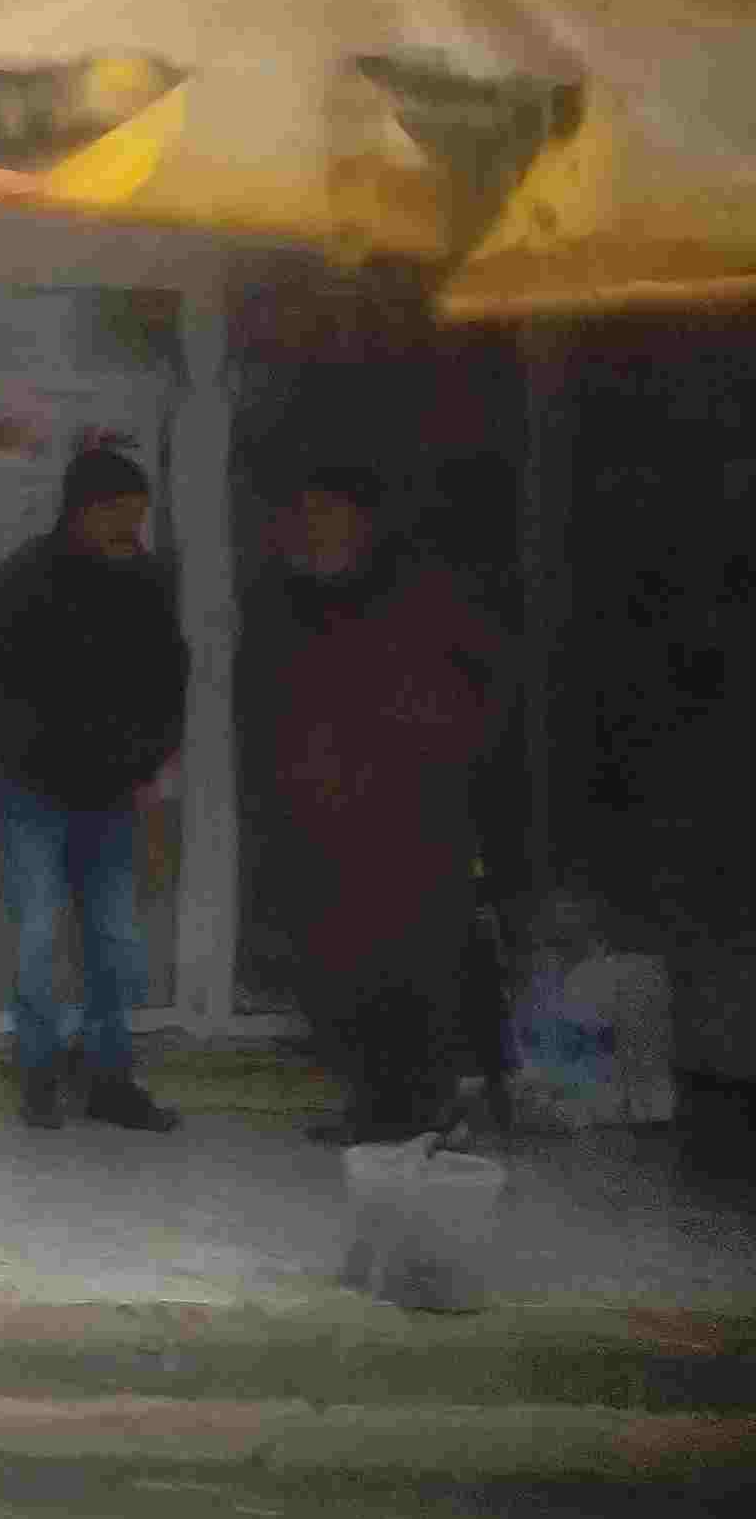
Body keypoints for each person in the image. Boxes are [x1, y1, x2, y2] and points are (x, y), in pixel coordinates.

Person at [268, 463, 509, 1146]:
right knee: (342, 968)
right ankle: (375, 1108)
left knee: (411, 968)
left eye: (326, 513)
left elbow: (480, 692)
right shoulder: (303, 603)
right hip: (329, 819)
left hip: (411, 817)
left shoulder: (423, 595)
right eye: (305, 515)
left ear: (364, 520)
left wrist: (434, 758)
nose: (312, 528)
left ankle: (419, 1113)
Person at [0, 446, 188, 1131]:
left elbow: (171, 681)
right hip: (34, 794)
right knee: (37, 934)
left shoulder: (145, 584)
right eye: (121, 515)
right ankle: (39, 1072)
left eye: (138, 516)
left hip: (111, 797)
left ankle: (110, 1079)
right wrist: (25, 736)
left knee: (115, 941)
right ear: (82, 511)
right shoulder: (22, 579)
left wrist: (147, 760)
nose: (132, 529)